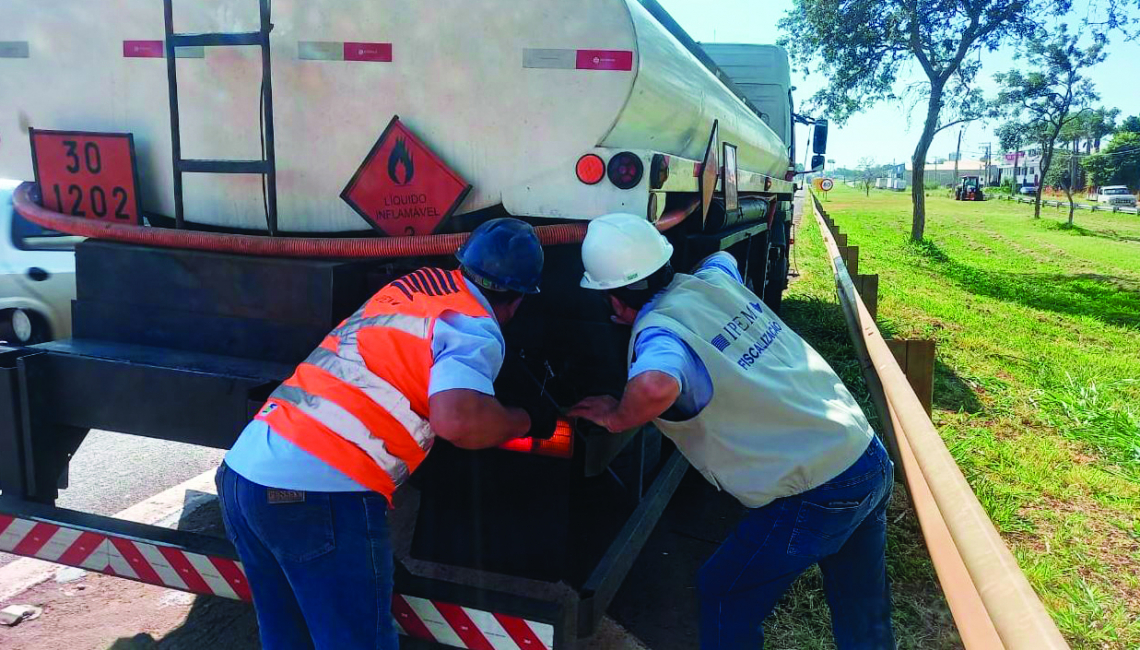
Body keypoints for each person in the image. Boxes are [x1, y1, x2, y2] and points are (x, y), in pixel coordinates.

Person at [216, 218, 557, 650]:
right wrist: (528, 419)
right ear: (519, 299)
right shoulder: (474, 326)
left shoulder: (416, 287)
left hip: (246, 478)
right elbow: (457, 421)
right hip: (316, 495)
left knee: (288, 638)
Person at [569, 213, 895, 649]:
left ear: (611, 299)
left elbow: (654, 384)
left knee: (724, 589)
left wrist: (616, 416)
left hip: (818, 491)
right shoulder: (714, 281)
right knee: (861, 603)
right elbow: (722, 256)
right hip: (865, 455)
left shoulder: (662, 336)